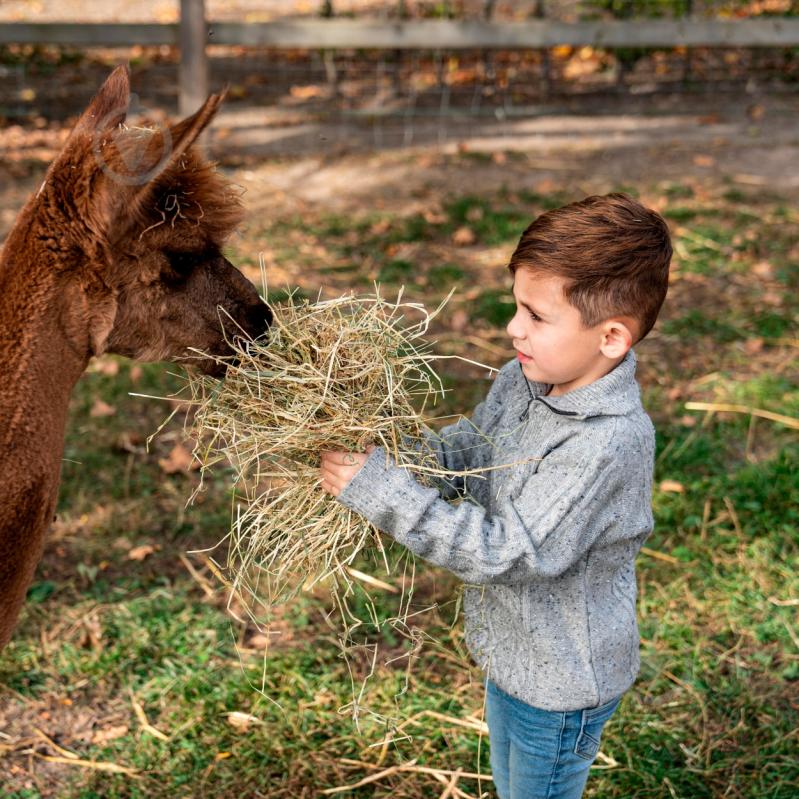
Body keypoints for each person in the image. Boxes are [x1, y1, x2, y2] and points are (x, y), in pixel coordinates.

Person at [320, 193, 672, 799]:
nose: (514, 328)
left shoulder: (607, 443)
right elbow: (475, 447)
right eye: (517, 307)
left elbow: (506, 553)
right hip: (516, 656)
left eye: (536, 316)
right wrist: (398, 460)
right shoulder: (529, 378)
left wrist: (384, 493)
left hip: (562, 682)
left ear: (611, 337)